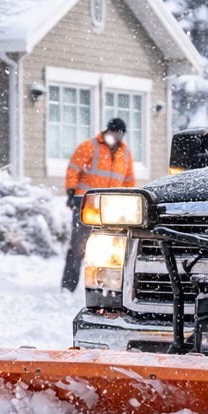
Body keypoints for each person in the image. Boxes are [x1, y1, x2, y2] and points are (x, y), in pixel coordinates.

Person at [62, 117, 134, 290]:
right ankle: (68, 286)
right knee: (79, 245)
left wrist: (127, 200)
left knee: (110, 247)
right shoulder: (90, 146)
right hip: (86, 203)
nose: (116, 137)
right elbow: (73, 168)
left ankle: (104, 285)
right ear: (107, 131)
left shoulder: (125, 154)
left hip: (111, 206)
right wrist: (71, 191)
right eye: (114, 133)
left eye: (120, 135)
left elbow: (129, 180)